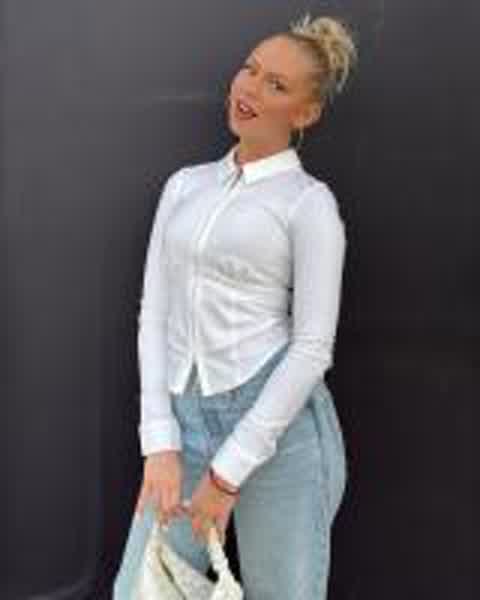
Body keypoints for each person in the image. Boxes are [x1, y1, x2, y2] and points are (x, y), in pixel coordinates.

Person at [114, 11, 358, 600]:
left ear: (305, 114)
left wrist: (227, 475)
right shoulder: (185, 185)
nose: (250, 88)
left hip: (277, 429)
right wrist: (160, 441)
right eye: (250, 69)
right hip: (184, 419)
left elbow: (311, 349)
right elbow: (154, 314)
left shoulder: (308, 204)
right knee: (142, 589)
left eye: (276, 85)